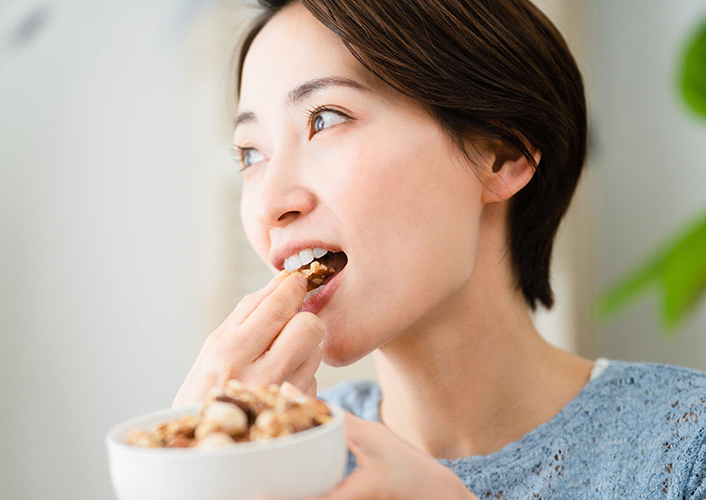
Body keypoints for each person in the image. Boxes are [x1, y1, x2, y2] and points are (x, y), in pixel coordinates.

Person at [174, 1, 706, 498]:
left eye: (326, 119)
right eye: (249, 154)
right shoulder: (278, 462)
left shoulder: (687, 449)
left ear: (502, 152)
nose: (269, 204)